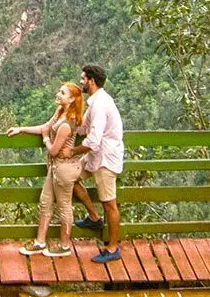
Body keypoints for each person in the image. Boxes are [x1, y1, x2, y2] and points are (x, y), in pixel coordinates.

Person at [7, 83, 85, 257]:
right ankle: (40, 242)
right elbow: (45, 128)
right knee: (45, 201)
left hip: (64, 169)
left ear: (72, 99)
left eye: (62, 93)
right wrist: (21, 129)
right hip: (55, 167)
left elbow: (53, 150)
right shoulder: (59, 113)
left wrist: (44, 140)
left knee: (64, 206)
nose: (58, 94)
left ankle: (64, 246)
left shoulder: (67, 123)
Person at [71, 63, 125, 263]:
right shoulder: (95, 102)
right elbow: (83, 128)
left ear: (91, 81)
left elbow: (92, 140)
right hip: (95, 155)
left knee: (109, 204)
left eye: (83, 79)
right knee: (71, 177)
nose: (81, 82)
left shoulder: (101, 105)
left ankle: (112, 248)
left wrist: (72, 151)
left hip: (105, 159)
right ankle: (94, 218)